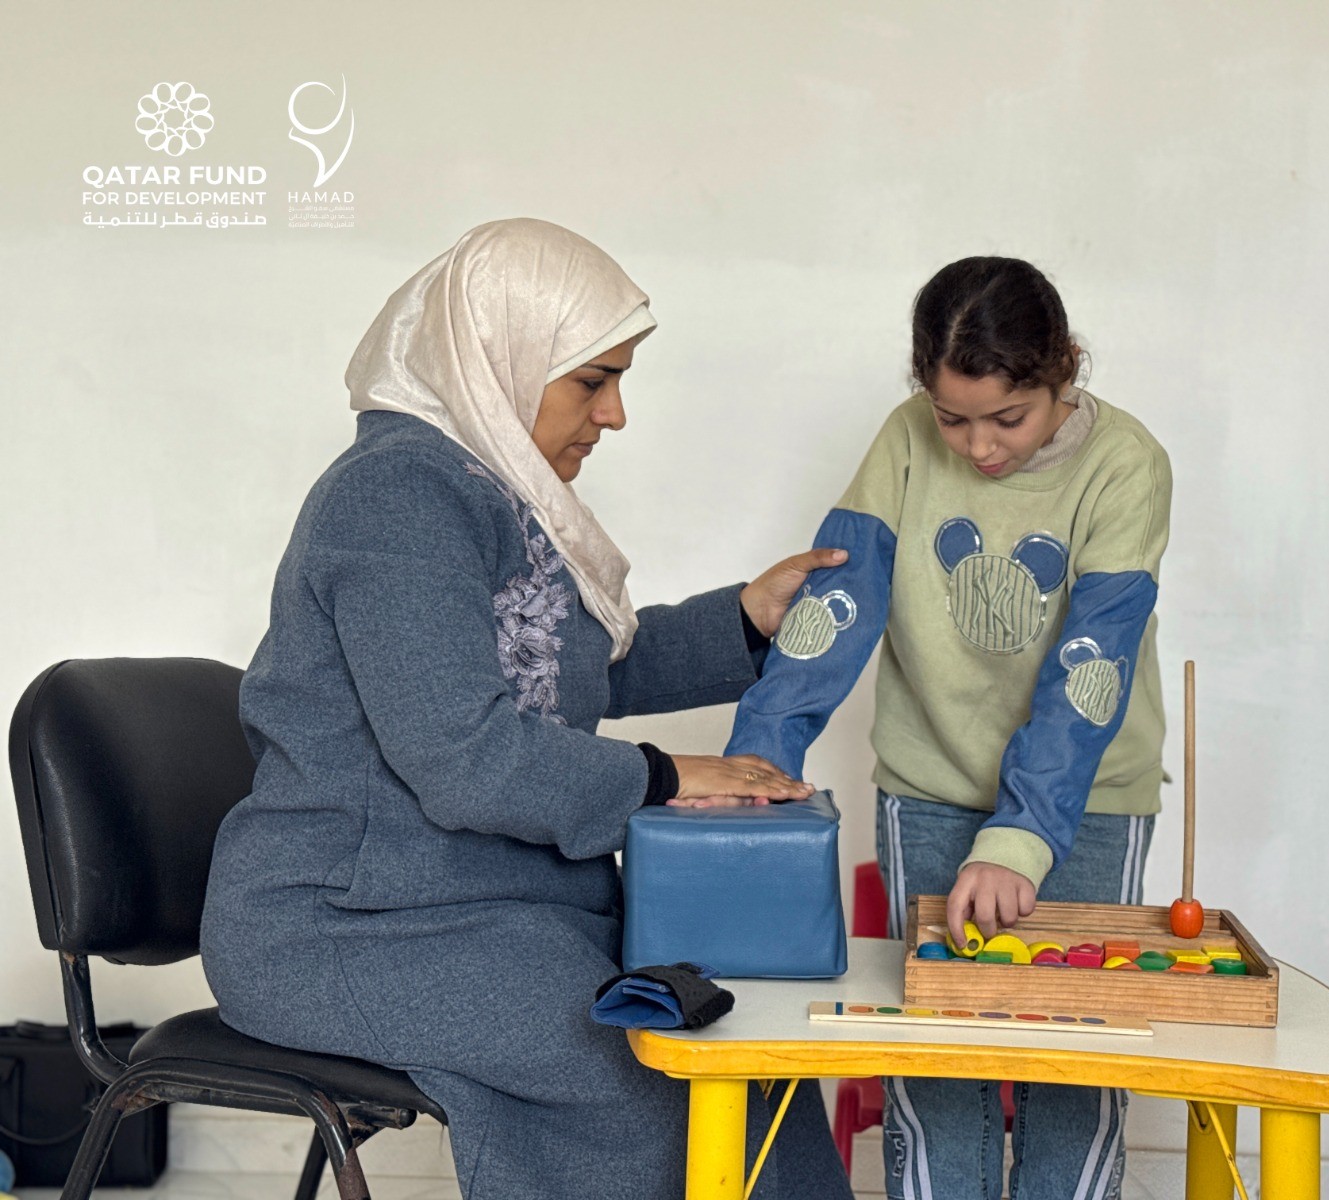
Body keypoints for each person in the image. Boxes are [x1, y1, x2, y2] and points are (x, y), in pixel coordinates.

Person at [199, 218, 854, 1200]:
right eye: (592, 381)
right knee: (644, 1069)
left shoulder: (493, 493)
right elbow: (464, 753)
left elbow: (564, 674)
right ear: (494, 360)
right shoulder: (396, 497)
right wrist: (664, 777)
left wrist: (746, 620)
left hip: (473, 914)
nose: (615, 413)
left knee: (742, 1054)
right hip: (341, 927)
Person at [724, 256, 1172, 1200]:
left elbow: (1090, 664)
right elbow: (839, 599)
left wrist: (1020, 840)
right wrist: (762, 750)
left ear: (1065, 367)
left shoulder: (1127, 463)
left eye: (1008, 417)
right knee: (933, 1056)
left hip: (1087, 801)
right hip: (928, 787)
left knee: (1075, 1065)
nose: (979, 447)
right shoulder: (902, 439)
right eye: (952, 418)